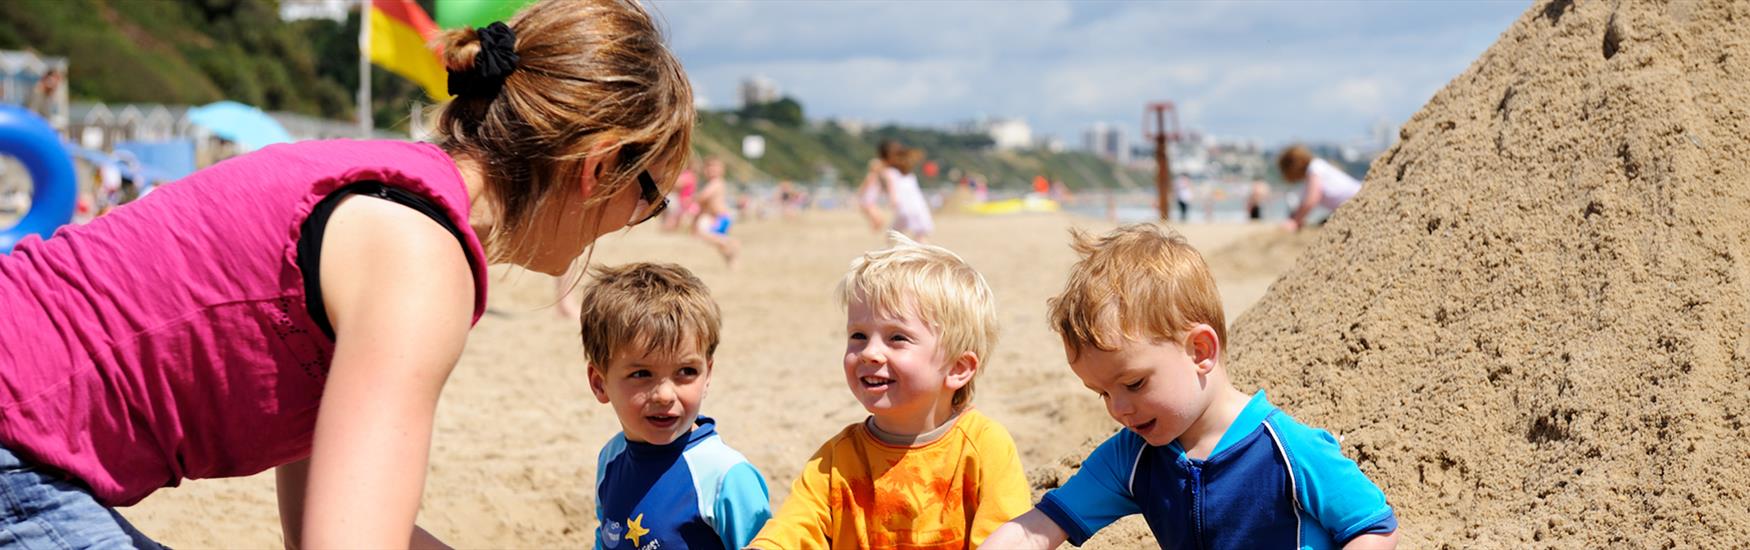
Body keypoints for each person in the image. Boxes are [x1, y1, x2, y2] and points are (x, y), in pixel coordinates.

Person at [0, 1, 695, 547]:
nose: (640, 222)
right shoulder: (420, 255)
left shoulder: (382, 190)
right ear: (598, 167)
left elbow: (320, 531)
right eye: (649, 197)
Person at [984, 224, 1400, 549]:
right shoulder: (1132, 458)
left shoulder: (1287, 449)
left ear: (1200, 350)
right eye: (1103, 393)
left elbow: (1374, 527)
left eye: (1134, 383)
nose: (1119, 409)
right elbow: (1036, 528)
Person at [748, 233, 1031, 549]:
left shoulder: (983, 447)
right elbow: (793, 529)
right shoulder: (838, 459)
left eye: (897, 337)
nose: (870, 352)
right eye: (858, 335)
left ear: (958, 368)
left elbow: (1006, 538)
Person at [578, 262, 772, 550]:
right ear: (599, 383)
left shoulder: (725, 476)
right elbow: (605, 537)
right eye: (641, 374)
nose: (665, 395)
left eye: (686, 372)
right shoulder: (611, 458)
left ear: (707, 374)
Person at [1278, 144, 1362, 231]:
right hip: (1352, 204)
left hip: (1359, 200)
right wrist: (1297, 217)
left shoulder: (1314, 167)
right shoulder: (1312, 172)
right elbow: (1305, 201)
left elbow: (1312, 199)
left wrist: (1295, 221)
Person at [874, 140, 934, 242]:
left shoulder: (889, 173)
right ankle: (922, 256)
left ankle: (893, 255)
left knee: (892, 237)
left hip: (904, 209)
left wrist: (892, 202)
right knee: (921, 237)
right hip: (919, 208)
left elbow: (891, 190)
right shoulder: (908, 174)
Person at [692, 157, 740, 266]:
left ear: (722, 170)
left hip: (721, 218)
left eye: (714, 168)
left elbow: (703, 197)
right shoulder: (710, 183)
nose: (711, 171)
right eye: (709, 168)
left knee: (703, 235)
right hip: (717, 218)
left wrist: (695, 197)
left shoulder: (717, 183)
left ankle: (730, 242)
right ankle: (732, 263)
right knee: (720, 247)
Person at [853, 157, 888, 231]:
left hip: (870, 201)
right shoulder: (871, 176)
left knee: (876, 220)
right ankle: (873, 233)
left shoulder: (878, 177)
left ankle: (873, 232)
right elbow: (863, 187)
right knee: (878, 220)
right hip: (868, 201)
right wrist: (859, 196)